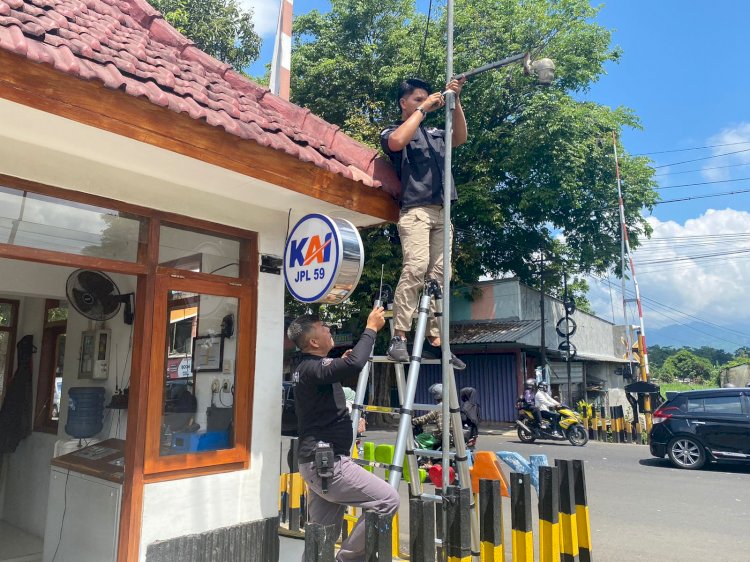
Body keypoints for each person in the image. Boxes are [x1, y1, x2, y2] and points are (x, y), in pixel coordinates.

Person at [288, 307, 399, 562]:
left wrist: (343, 361)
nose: (330, 330)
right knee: (387, 500)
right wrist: (371, 327)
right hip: (326, 463)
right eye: (324, 328)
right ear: (314, 341)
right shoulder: (312, 368)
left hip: (318, 462)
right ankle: (346, 560)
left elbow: (344, 365)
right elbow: (355, 364)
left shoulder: (306, 367)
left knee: (324, 533)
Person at [380, 77, 468, 370]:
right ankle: (400, 338)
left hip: (443, 212)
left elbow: (459, 138)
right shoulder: (395, 131)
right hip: (415, 210)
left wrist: (454, 101)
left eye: (425, 98)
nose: (423, 102)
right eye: (416, 99)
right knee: (416, 267)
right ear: (403, 103)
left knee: (440, 277)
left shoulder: (435, 133)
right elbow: (396, 142)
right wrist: (424, 108)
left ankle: (435, 342)